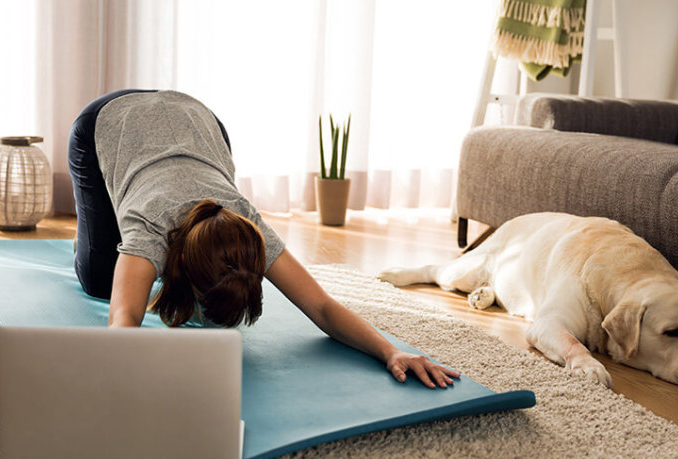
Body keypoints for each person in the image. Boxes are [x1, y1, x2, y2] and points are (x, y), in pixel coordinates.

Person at [67, 89, 460, 388]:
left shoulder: (247, 226)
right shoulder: (148, 225)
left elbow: (321, 307)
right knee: (100, 282)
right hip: (108, 120)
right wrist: (120, 374)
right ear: (180, 266)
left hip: (198, 118)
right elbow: (124, 317)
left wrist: (391, 351)